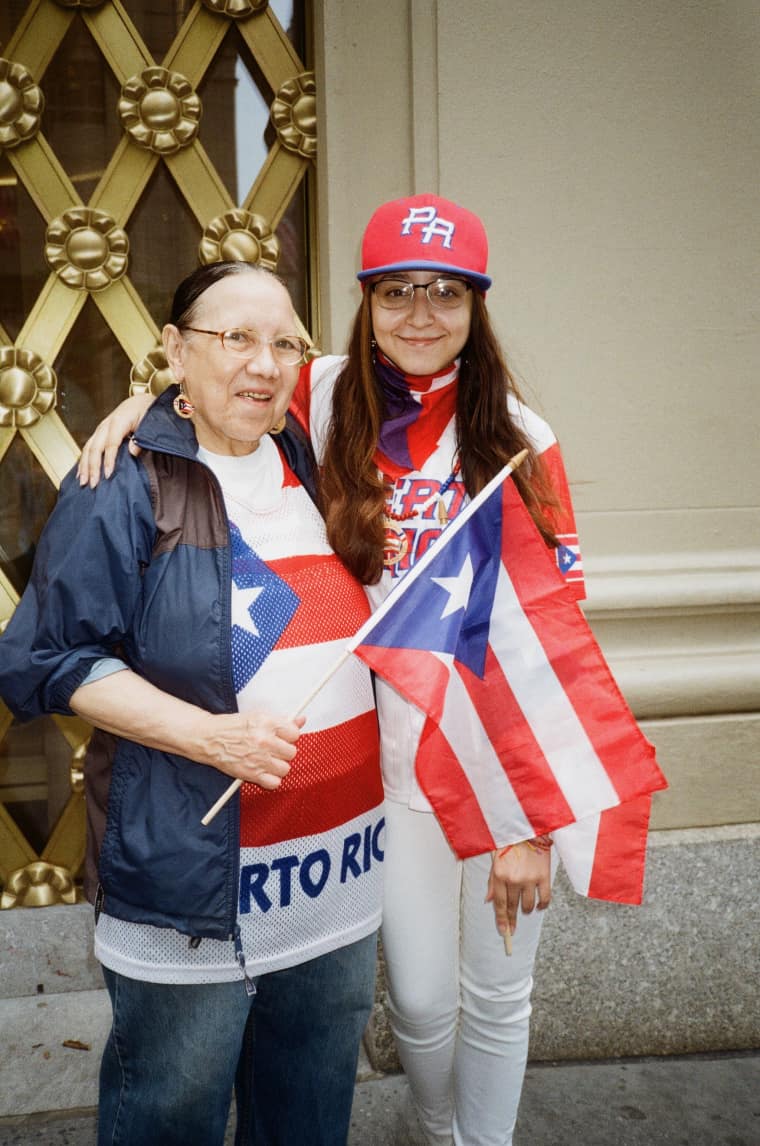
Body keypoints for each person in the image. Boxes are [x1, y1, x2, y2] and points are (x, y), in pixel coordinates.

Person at [76, 196, 588, 1146]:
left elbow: (548, 640)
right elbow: (222, 376)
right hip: (379, 775)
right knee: (424, 1007)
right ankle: (435, 1129)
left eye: (447, 292)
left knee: (497, 993)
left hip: (489, 757)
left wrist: (535, 818)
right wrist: (133, 412)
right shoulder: (321, 392)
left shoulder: (522, 434)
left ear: (478, 307)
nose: (421, 315)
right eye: (398, 291)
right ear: (365, 301)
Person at [0, 263, 385, 1146]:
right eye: (235, 338)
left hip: (334, 874)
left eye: (284, 342)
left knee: (309, 1112)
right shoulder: (123, 484)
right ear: (174, 349)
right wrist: (211, 737)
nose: (264, 362)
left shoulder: (313, 458)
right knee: (170, 1108)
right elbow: (48, 660)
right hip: (196, 882)